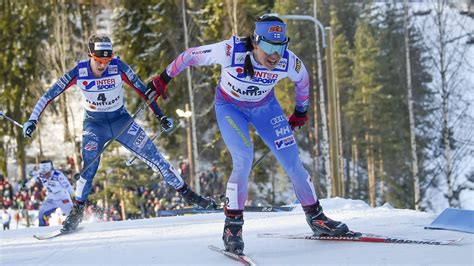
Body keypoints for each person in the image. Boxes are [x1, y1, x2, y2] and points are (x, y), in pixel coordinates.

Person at [148, 15, 350, 254]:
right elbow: (189, 56)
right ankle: (232, 227)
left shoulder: (288, 61)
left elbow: (303, 81)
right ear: (255, 42)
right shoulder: (230, 51)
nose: (275, 55)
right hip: (230, 108)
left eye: (280, 47)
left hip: (266, 109)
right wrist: (163, 78)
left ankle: (317, 218)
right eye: (268, 47)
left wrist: (300, 112)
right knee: (244, 158)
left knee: (293, 162)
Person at [23, 34, 217, 233]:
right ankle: (77, 210)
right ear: (90, 55)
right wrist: (32, 119)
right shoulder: (79, 72)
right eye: (98, 61)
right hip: (94, 126)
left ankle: (190, 196)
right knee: (89, 167)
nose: (103, 66)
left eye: (107, 60)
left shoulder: (118, 67)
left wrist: (160, 116)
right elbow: (48, 95)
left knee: (156, 158)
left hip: (121, 122)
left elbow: (143, 91)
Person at [25, 160, 74, 226]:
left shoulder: (58, 175)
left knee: (72, 215)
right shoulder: (40, 174)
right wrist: (25, 186)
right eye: (43, 173)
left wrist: (73, 195)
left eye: (47, 173)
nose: (45, 175)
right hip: (51, 199)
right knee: (41, 214)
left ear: (51, 169)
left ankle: (73, 226)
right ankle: (43, 230)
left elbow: (68, 186)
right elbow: (31, 180)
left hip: (62, 198)